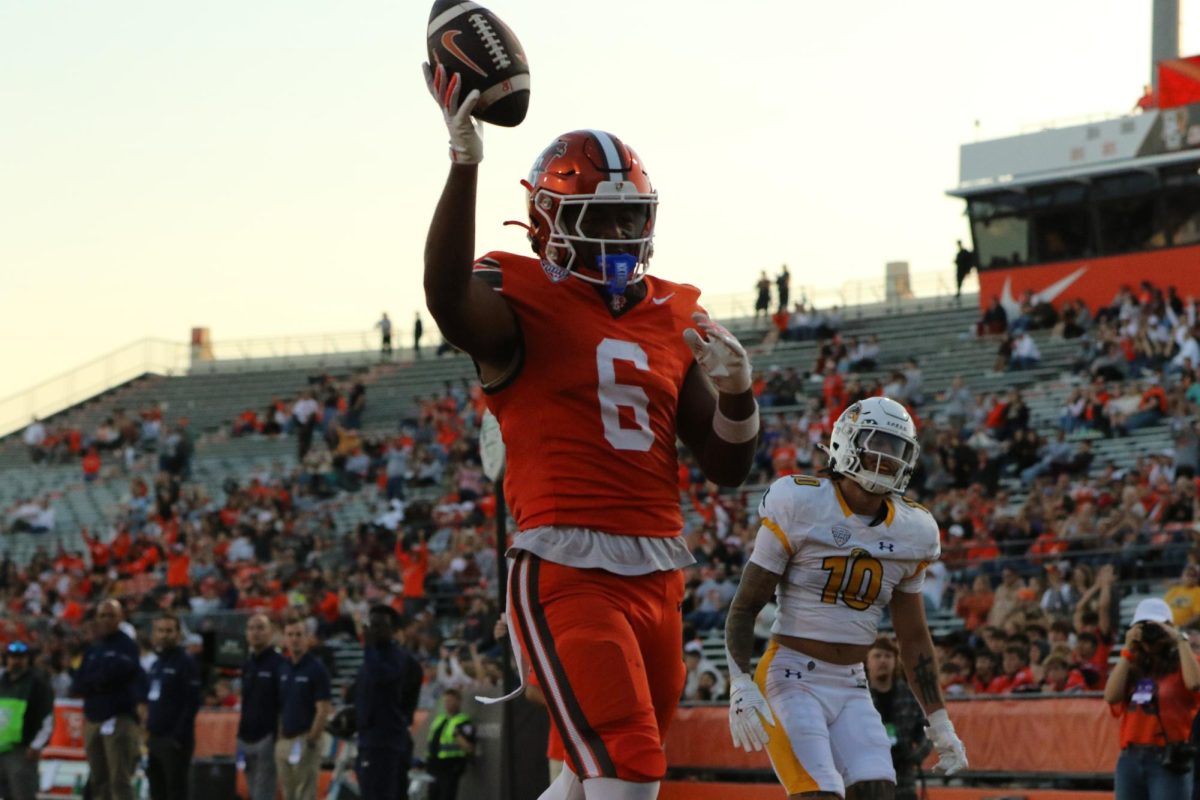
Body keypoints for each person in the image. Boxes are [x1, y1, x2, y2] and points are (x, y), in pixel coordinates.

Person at [423, 63, 758, 800]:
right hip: (566, 564)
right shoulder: (519, 294)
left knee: (586, 775)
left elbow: (726, 464)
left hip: (658, 571)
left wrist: (739, 394)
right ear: (546, 219)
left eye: (628, 216)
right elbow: (447, 303)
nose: (615, 233)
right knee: (630, 762)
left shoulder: (672, 311)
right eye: (596, 218)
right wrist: (463, 165)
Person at [724, 397, 967, 799]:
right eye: (878, 443)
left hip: (853, 682)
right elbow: (746, 606)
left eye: (896, 449)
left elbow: (914, 637)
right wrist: (739, 681)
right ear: (847, 443)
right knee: (821, 793)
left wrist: (939, 719)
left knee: (879, 793)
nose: (887, 458)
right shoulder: (801, 503)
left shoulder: (914, 530)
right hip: (790, 676)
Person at [1104, 598, 1200, 799]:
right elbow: (1111, 696)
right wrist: (1128, 650)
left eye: (1157, 627)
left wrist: (1180, 639)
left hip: (1168, 757)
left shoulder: (1185, 661)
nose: (1151, 634)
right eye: (1144, 626)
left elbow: (1195, 683)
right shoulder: (1132, 664)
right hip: (1129, 758)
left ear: (1169, 628)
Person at [70, 599, 145, 800]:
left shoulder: (127, 646)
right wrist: (99, 680)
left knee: (119, 779)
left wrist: (94, 681)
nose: (106, 620)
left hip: (119, 718)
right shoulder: (93, 649)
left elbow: (119, 674)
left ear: (120, 618)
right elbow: (77, 684)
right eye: (102, 615)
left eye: (111, 615)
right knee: (97, 779)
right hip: (93, 719)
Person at [354, 605, 423, 800]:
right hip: (371, 738)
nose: (373, 630)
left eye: (379, 625)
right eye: (371, 624)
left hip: (384, 742)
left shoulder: (395, 657)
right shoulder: (372, 659)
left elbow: (380, 676)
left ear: (393, 630)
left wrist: (367, 645)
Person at [866, 637, 931, 800]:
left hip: (903, 778)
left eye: (888, 656)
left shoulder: (910, 695)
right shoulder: (858, 696)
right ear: (867, 661)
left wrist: (915, 756)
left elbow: (928, 732)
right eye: (877, 656)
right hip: (868, 777)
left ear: (895, 661)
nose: (883, 661)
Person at [145, 613, 201, 800]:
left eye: (169, 630)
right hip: (155, 739)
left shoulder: (187, 663)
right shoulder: (156, 664)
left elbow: (192, 703)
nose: (164, 635)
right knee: (156, 791)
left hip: (174, 741)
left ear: (178, 634)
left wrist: (178, 737)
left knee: (176, 791)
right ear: (154, 634)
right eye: (160, 630)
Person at [276, 615, 332, 800]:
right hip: (284, 738)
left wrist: (312, 739)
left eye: (299, 634)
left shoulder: (316, 669)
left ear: (307, 638)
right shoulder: (283, 667)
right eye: (290, 634)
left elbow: (323, 708)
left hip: (304, 737)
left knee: (305, 794)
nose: (294, 639)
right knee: (288, 794)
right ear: (284, 639)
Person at [238, 613, 287, 800]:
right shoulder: (247, 664)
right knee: (253, 791)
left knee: (264, 793)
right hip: (245, 736)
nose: (255, 633)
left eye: (260, 628)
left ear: (271, 632)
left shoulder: (280, 664)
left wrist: (278, 736)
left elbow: (283, 703)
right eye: (251, 628)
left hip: (268, 736)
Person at [0, 642, 55, 800]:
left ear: (27, 660)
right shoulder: (2, 681)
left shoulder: (37, 684)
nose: (16, 661)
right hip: (1, 746)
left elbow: (47, 718)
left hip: (22, 750)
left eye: (20, 658)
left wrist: (36, 745)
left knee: (22, 793)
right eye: (12, 657)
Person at [425, 688, 476, 800]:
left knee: (446, 795)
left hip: (450, 767)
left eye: (450, 701)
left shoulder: (463, 720)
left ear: (458, 701)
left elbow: (469, 748)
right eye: (445, 701)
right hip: (434, 766)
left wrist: (457, 736)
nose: (447, 704)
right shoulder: (440, 719)